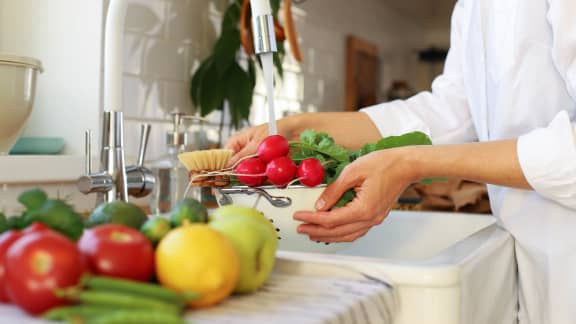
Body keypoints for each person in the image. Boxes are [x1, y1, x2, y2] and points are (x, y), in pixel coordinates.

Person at [225, 0, 576, 323]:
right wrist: (300, 128)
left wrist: (411, 162)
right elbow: (448, 112)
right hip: (539, 275)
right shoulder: (472, 7)